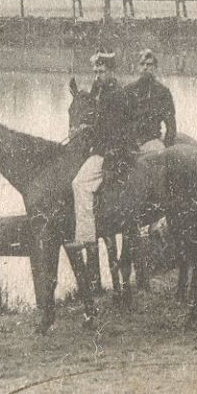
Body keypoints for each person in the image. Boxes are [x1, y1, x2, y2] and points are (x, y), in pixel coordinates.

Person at [70, 50, 130, 248]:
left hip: (112, 151)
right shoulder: (101, 89)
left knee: (80, 183)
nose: (97, 75)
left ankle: (86, 236)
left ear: (111, 71)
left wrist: (88, 130)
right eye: (95, 71)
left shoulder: (116, 94)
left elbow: (111, 130)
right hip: (102, 147)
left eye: (101, 71)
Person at [125, 48, 175, 206]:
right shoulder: (128, 90)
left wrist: (166, 146)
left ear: (155, 67)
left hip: (151, 141)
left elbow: (171, 126)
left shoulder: (163, 92)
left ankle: (159, 209)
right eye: (143, 64)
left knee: (160, 165)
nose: (146, 68)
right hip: (130, 143)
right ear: (137, 67)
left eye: (150, 64)